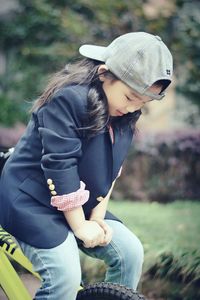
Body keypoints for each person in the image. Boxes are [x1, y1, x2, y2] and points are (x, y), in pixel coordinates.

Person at [0, 32, 173, 300]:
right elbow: (60, 165)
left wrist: (97, 219)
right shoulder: (70, 99)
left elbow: (113, 170)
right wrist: (81, 227)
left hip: (79, 205)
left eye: (143, 102)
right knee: (64, 277)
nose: (133, 109)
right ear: (104, 73)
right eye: (129, 98)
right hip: (31, 201)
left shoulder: (124, 112)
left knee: (130, 253)